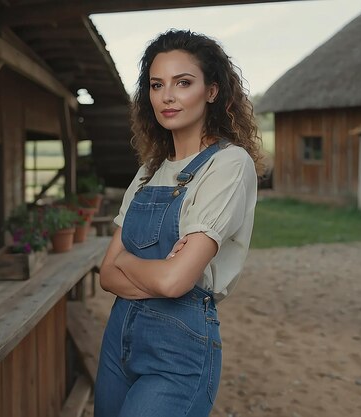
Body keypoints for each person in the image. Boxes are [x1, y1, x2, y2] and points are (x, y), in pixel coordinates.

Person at [94, 29, 261, 417]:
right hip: (118, 337)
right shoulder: (148, 172)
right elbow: (105, 275)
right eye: (157, 85)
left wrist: (127, 263)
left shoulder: (229, 164)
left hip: (178, 346)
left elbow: (175, 282)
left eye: (183, 83)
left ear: (212, 91)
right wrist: (154, 269)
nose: (167, 96)